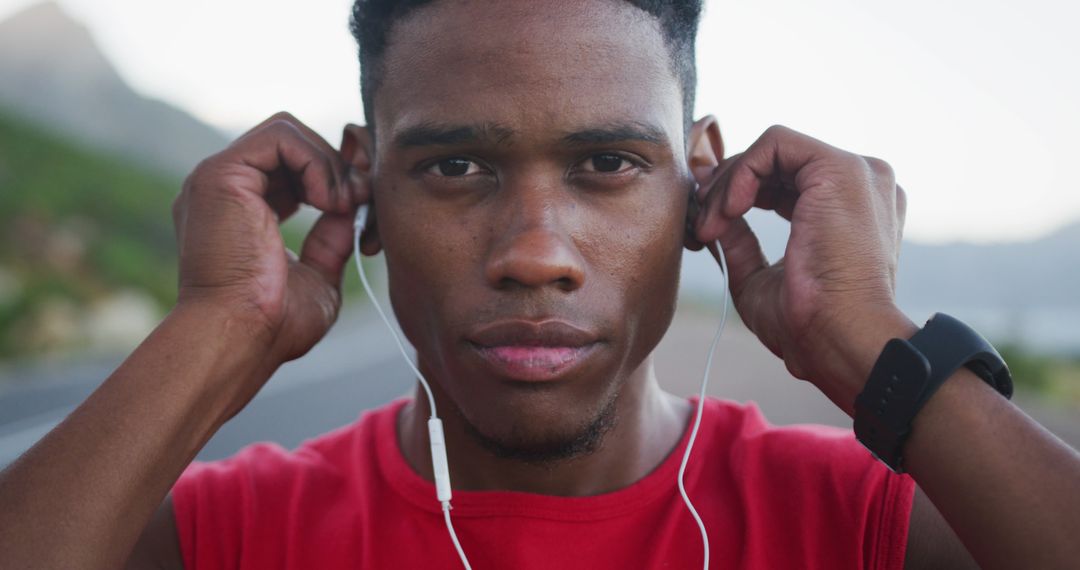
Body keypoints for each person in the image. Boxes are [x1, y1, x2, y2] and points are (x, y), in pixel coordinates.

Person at [1, 0, 1078, 568]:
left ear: (704, 179)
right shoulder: (233, 533)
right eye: (455, 165)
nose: (534, 252)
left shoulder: (871, 524)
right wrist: (215, 325)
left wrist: (878, 347)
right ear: (362, 185)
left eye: (608, 164)